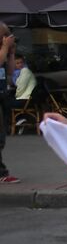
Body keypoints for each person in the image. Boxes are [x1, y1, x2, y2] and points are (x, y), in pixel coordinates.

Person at [0, 24, 14, 182]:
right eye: (4, 35)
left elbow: (10, 71)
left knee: (2, 134)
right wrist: (5, 47)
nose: (8, 38)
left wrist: (11, 53)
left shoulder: (4, 51)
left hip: (2, 94)